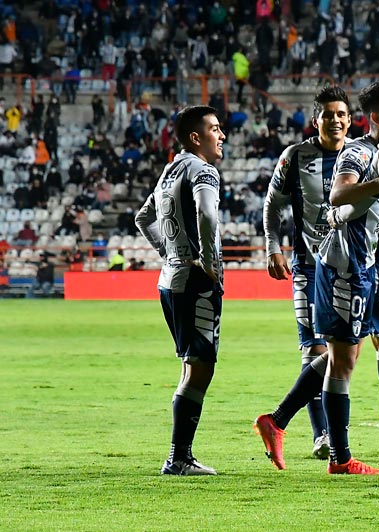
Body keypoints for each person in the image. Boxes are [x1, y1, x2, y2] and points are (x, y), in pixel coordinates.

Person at [254, 87, 353, 467]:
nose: (336, 120)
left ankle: (287, 423)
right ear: (317, 120)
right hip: (309, 267)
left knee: (341, 353)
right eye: (329, 114)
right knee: (315, 350)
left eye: (342, 113)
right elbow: (272, 206)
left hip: (349, 269)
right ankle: (322, 434)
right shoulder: (295, 157)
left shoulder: (359, 155)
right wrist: (271, 247)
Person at [315, 80, 379, 475]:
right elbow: (339, 196)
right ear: (375, 117)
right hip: (344, 268)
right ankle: (339, 458)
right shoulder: (358, 151)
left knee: (347, 357)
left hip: (364, 267)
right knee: (342, 361)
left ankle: (332, 449)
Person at [135, 105, 226, 476]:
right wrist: (209, 262)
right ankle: (179, 457)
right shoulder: (203, 171)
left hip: (169, 278)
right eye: (215, 129)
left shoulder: (170, 170)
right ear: (196, 137)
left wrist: (167, 251)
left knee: (192, 367)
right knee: (200, 369)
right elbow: (207, 215)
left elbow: (143, 217)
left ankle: (180, 456)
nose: (222, 136)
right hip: (195, 283)